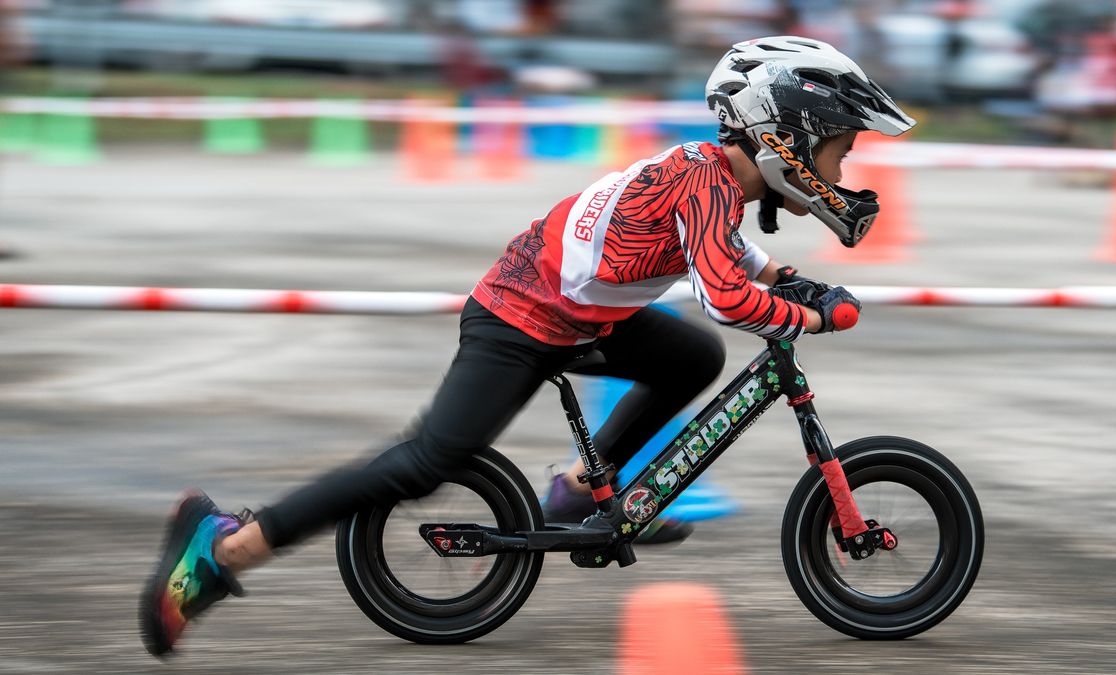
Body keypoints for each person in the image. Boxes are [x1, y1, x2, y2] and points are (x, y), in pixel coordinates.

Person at [139, 35, 915, 657]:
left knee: (692, 359)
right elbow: (723, 296)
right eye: (839, 148)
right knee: (426, 461)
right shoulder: (703, 180)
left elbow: (726, 258)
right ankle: (223, 548)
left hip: (579, 316)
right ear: (788, 135)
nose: (843, 169)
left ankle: (580, 488)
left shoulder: (715, 181)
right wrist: (813, 317)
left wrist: (793, 279)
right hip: (517, 319)